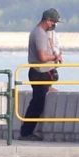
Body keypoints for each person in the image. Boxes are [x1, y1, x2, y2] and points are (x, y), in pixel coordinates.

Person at [20, 8, 63, 141]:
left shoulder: (39, 32)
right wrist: (55, 57)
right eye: (53, 22)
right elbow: (42, 57)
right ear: (47, 20)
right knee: (37, 103)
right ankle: (26, 132)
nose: (54, 25)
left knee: (38, 101)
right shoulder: (40, 34)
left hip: (40, 72)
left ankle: (26, 131)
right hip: (39, 72)